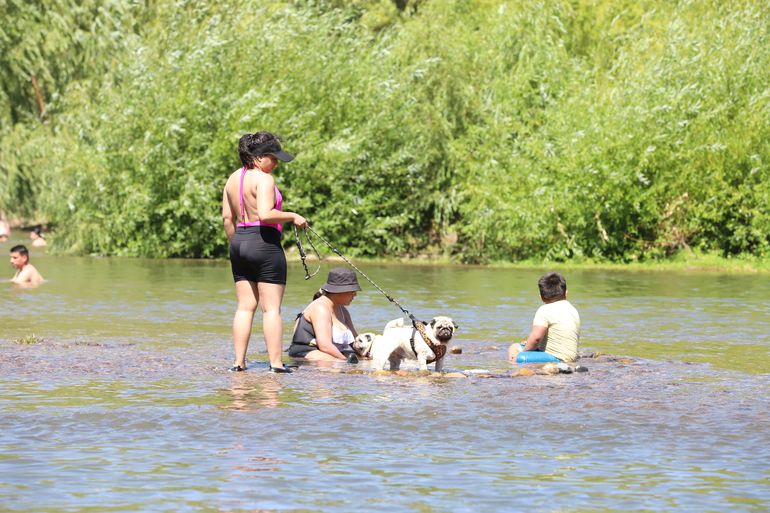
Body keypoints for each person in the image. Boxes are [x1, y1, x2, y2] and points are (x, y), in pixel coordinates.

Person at [222, 131, 307, 373]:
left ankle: (239, 363)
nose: (277, 163)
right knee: (271, 309)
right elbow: (266, 214)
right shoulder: (264, 179)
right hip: (264, 242)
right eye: (274, 158)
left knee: (245, 307)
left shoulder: (232, 179)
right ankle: (276, 364)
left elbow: (227, 218)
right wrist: (293, 216)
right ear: (258, 157)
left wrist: (238, 243)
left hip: (239, 242)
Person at [288, 267, 362, 362]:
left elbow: (355, 341)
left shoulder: (343, 311)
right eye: (352, 292)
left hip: (331, 353)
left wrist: (366, 355)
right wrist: (345, 361)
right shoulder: (320, 308)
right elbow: (325, 345)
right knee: (340, 363)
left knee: (364, 360)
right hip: (307, 352)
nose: (355, 295)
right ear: (339, 291)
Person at [508, 272, 580, 363]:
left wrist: (525, 351)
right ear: (566, 293)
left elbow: (536, 338)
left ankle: (515, 369)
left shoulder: (544, 310)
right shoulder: (572, 309)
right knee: (519, 346)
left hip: (556, 358)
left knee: (516, 352)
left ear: (541, 297)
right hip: (571, 357)